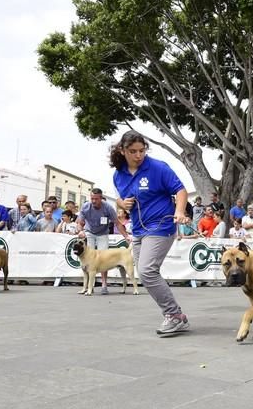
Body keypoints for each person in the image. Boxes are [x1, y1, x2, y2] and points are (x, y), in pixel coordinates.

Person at [112, 130, 190, 336]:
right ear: (122, 151)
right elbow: (120, 199)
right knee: (145, 275)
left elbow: (181, 191)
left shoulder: (158, 168)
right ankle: (176, 315)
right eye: (133, 151)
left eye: (142, 150)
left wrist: (179, 211)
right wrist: (121, 202)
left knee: (147, 270)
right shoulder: (118, 174)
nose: (139, 155)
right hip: (138, 229)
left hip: (161, 226)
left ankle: (174, 315)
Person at [76, 188, 130, 295]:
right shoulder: (86, 207)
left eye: (96, 199)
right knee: (87, 260)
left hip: (103, 234)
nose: (94, 201)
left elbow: (118, 224)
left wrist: (126, 236)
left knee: (103, 259)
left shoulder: (108, 208)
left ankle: (104, 284)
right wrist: (80, 230)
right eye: (92, 198)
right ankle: (87, 287)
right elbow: (79, 223)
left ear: (101, 198)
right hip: (89, 232)